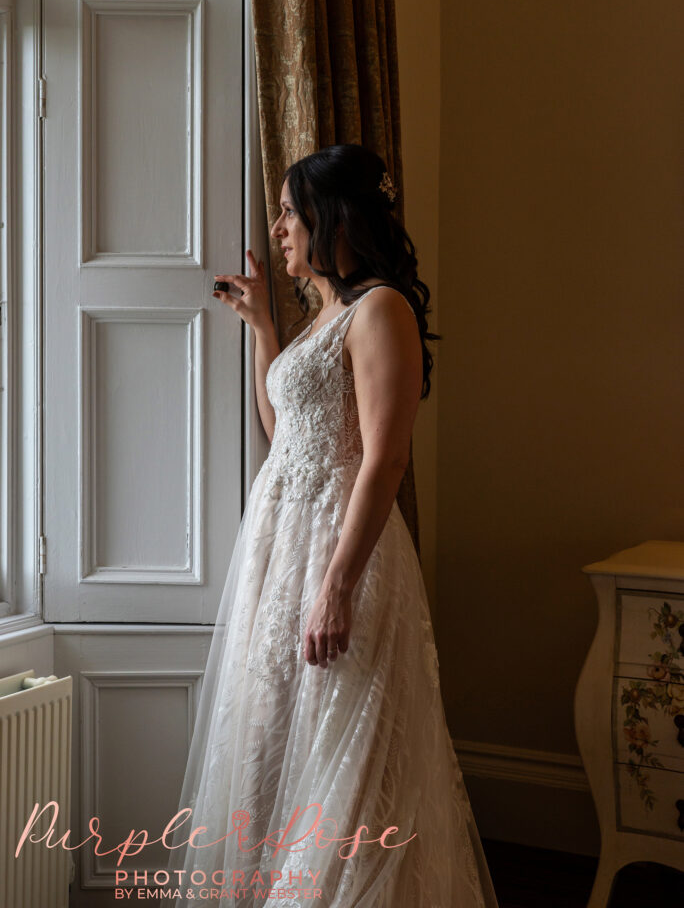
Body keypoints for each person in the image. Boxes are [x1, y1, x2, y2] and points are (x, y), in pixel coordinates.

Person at [168, 144, 498, 907]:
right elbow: (283, 431)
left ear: (331, 216)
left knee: (345, 752)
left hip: (337, 553)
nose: (278, 227)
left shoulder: (382, 309)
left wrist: (336, 588)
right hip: (282, 555)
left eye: (289, 210)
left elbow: (384, 460)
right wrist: (261, 329)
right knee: (277, 743)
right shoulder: (329, 315)